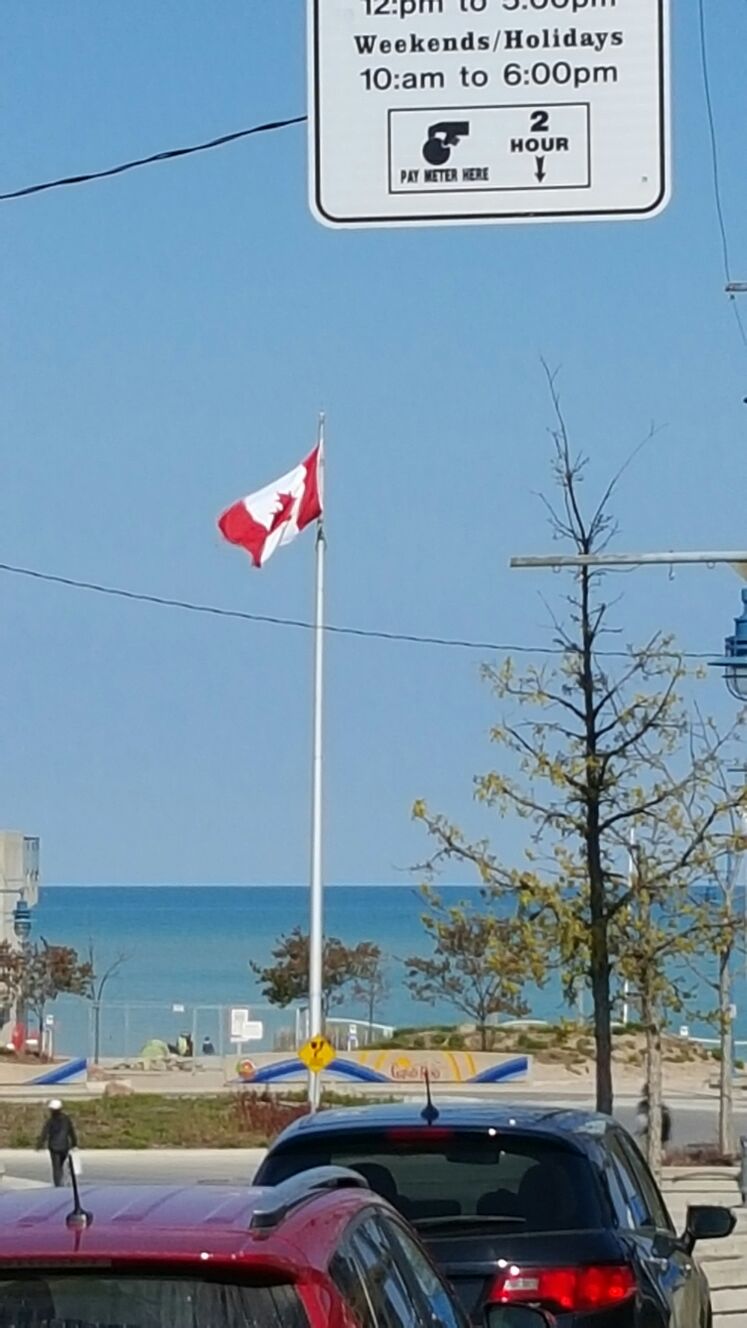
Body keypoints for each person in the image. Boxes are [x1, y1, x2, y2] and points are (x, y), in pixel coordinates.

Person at [36, 1099, 78, 1187]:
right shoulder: (66, 1119)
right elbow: (71, 1132)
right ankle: (62, 1179)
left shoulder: (50, 1121)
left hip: (54, 1147)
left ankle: (58, 1184)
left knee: (56, 1167)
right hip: (64, 1146)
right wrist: (74, 1144)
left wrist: (39, 1145)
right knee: (61, 1164)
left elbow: (45, 1133)